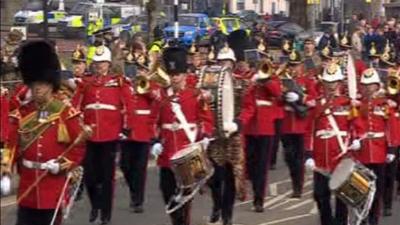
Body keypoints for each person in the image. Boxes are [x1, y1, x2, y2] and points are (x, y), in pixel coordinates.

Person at [3, 40, 86, 225]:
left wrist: (62, 165)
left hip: (52, 187)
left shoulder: (65, 112)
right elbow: (11, 146)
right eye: (34, 83)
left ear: (51, 83)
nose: (37, 88)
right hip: (28, 188)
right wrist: (5, 171)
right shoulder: (22, 114)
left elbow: (78, 146)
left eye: (42, 83)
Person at [150, 47, 213, 225]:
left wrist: (205, 136)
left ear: (185, 74)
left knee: (185, 199)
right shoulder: (161, 96)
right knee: (168, 193)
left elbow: (207, 120)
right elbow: (152, 121)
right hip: (167, 155)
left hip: (188, 153)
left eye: (178, 74)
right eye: (172, 74)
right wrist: (154, 141)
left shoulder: (195, 95)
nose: (175, 77)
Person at [72, 45, 132, 225]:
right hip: (90, 136)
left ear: (108, 64)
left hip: (110, 135)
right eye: (97, 63)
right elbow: (75, 107)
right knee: (89, 175)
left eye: (102, 63)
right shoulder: (85, 83)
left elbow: (128, 105)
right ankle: (95, 205)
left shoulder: (119, 82)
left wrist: (125, 128)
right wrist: (77, 128)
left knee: (107, 177)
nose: (99, 67)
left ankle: (106, 213)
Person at [305, 63, 350, 225]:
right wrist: (308, 155)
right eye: (328, 82)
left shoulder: (348, 103)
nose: (331, 86)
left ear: (339, 83)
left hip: (341, 156)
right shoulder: (317, 104)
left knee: (342, 198)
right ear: (323, 83)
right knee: (320, 195)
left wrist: (356, 144)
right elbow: (309, 130)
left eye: (334, 82)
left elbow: (354, 127)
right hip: (320, 158)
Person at [351, 68, 396, 225]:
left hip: (379, 151)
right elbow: (352, 125)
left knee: (376, 190)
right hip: (362, 152)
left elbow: (389, 127)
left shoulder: (384, 104)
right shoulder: (357, 105)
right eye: (365, 85)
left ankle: (374, 220)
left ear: (377, 86)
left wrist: (390, 149)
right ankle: (362, 219)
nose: (368, 88)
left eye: (371, 85)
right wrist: (355, 139)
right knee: (361, 190)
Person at [239, 57, 282, 213]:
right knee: (250, 163)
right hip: (250, 129)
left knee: (262, 166)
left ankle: (259, 199)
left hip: (266, 129)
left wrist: (266, 80)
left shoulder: (273, 79)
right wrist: (252, 83)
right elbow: (246, 102)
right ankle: (250, 186)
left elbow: (277, 93)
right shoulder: (250, 79)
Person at [119, 56, 161, 213]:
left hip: (143, 131)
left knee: (140, 168)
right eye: (137, 68)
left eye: (142, 69)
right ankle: (133, 190)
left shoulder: (152, 85)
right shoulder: (126, 84)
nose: (139, 72)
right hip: (128, 130)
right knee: (125, 165)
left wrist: (147, 87)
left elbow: (158, 100)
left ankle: (137, 201)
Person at [280, 49, 318, 198]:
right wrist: (283, 97)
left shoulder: (307, 81)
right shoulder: (283, 80)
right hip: (287, 123)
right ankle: (294, 180)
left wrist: (301, 98)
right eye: (291, 65)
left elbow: (314, 99)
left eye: (296, 65)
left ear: (301, 65)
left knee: (300, 157)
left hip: (302, 124)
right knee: (289, 157)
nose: (293, 68)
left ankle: (298, 186)